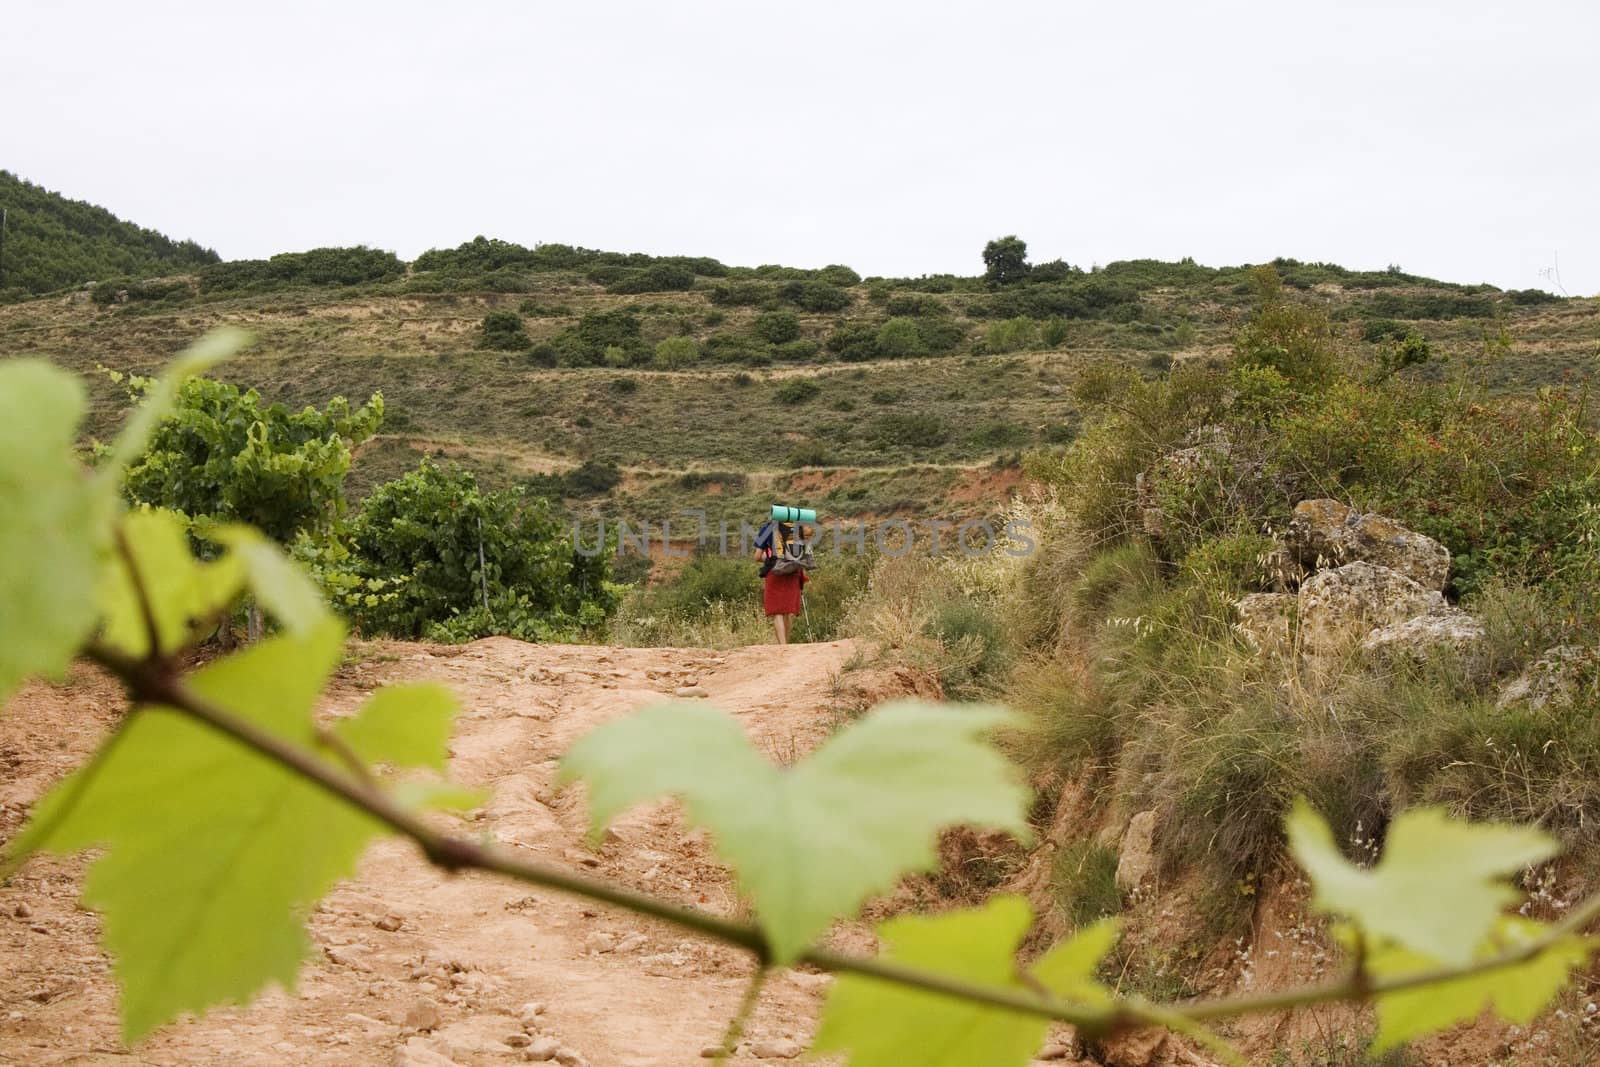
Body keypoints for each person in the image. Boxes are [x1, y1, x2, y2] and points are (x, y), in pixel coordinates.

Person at [756, 520, 809, 645]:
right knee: (787, 610)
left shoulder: (767, 529)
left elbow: (757, 556)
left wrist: (769, 558)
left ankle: (782, 645)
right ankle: (787, 644)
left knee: (777, 612)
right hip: (793, 572)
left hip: (775, 572)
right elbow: (803, 553)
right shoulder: (796, 528)